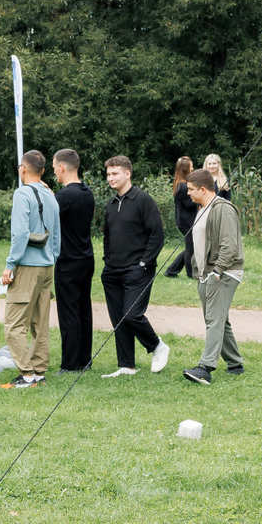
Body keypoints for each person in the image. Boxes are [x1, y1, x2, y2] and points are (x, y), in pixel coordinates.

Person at [99, 155, 169, 377]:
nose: (110, 178)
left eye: (115, 173)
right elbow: (107, 237)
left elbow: (157, 235)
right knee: (119, 320)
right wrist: (107, 262)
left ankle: (157, 346)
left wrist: (144, 263)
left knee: (131, 315)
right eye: (108, 174)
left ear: (127, 173)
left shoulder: (143, 200)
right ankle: (126, 365)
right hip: (112, 271)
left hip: (138, 270)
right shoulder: (111, 204)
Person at [0, 150, 60, 389]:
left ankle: (26, 376)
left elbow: (20, 233)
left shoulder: (22, 193)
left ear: (22, 169)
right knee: (40, 323)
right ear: (43, 171)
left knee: (14, 324)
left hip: (27, 266)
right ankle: (39, 372)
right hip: (48, 265)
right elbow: (56, 234)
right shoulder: (51, 196)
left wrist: (10, 265)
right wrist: (53, 257)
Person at [181, 168, 245, 384]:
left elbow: (230, 245)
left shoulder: (223, 209)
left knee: (214, 320)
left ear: (202, 189)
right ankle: (235, 363)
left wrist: (217, 271)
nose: (188, 193)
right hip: (206, 274)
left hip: (224, 272)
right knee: (219, 320)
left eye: (191, 189)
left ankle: (205, 367)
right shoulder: (202, 209)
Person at [52, 150, 95, 373]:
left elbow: (46, 215)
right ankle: (84, 360)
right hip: (86, 257)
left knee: (68, 312)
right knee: (83, 310)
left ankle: (69, 364)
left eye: (54, 168)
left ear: (62, 167)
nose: (54, 172)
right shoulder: (86, 192)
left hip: (68, 261)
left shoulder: (65, 196)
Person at [163, 157, 196, 278]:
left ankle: (171, 271)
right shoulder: (183, 186)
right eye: (191, 166)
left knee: (191, 247)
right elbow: (189, 204)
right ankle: (190, 274)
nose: (193, 168)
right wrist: (199, 198)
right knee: (190, 249)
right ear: (186, 169)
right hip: (186, 221)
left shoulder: (181, 184)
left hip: (185, 221)